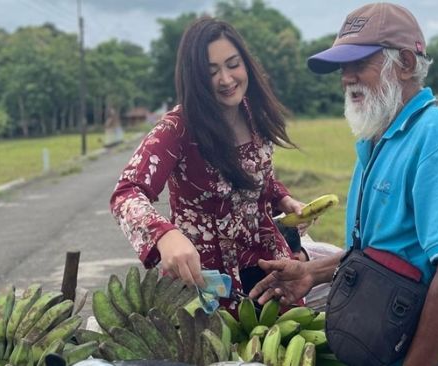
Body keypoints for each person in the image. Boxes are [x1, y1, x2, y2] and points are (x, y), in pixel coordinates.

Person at [250, 3, 438, 365]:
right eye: (343, 68)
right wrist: (311, 272)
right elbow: (379, 255)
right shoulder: (376, 142)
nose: (347, 78)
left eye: (360, 64)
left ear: (406, 63)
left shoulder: (437, 139)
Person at [109, 17, 307, 311]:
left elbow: (257, 178)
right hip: (207, 284)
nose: (226, 79)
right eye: (211, 71)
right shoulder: (177, 128)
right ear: (195, 78)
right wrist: (165, 235)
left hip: (271, 271)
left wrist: (283, 198)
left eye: (232, 64)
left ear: (246, 64)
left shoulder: (254, 113)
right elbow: (126, 193)